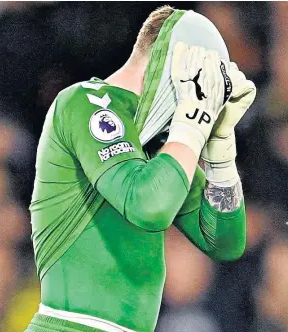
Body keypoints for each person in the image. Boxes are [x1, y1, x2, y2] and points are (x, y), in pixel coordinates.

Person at [26, 5, 256, 332]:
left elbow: (223, 241)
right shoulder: (86, 102)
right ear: (173, 65)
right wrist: (193, 119)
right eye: (200, 85)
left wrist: (219, 148)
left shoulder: (155, 143)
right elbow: (149, 206)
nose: (202, 99)